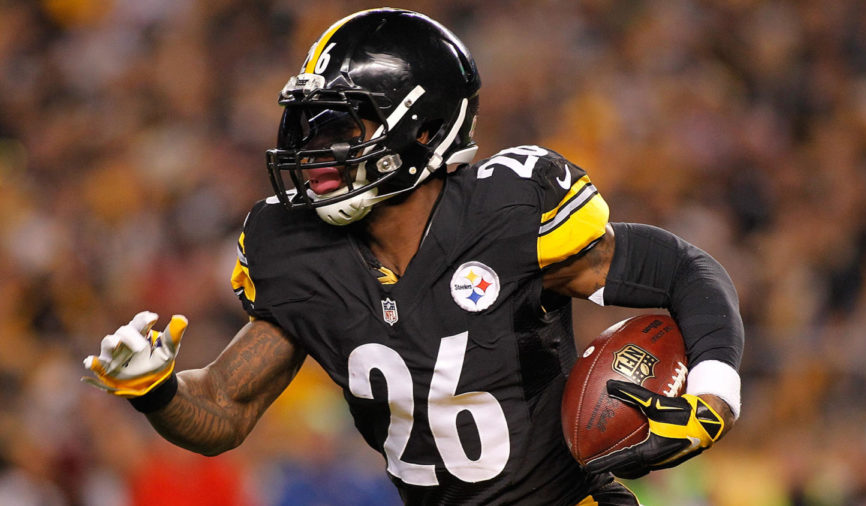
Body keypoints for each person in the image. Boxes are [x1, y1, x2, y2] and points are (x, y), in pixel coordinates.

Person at [83, 8, 744, 505]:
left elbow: (684, 271)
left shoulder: (509, 213)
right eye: (312, 127)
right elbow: (224, 408)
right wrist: (158, 390)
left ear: (424, 131)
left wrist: (714, 396)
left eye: (344, 127)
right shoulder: (298, 252)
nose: (319, 151)